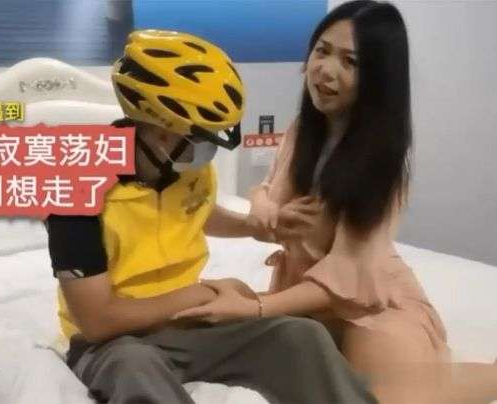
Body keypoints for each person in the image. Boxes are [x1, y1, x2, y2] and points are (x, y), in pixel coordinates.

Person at [173, 2, 497, 403]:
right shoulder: (303, 131)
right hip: (305, 297)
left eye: (350, 62)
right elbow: (267, 191)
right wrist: (262, 205)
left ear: (378, 77)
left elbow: (348, 275)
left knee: (389, 399)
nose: (325, 70)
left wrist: (256, 308)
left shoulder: (382, 161)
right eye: (322, 51)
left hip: (369, 303)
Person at [46, 29, 377, 403]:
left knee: (301, 335)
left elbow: (195, 210)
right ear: (161, 133)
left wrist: (252, 227)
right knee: (134, 365)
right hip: (112, 342)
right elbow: (97, 321)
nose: (207, 151)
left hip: (188, 325)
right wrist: (200, 293)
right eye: (201, 138)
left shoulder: (184, 167)